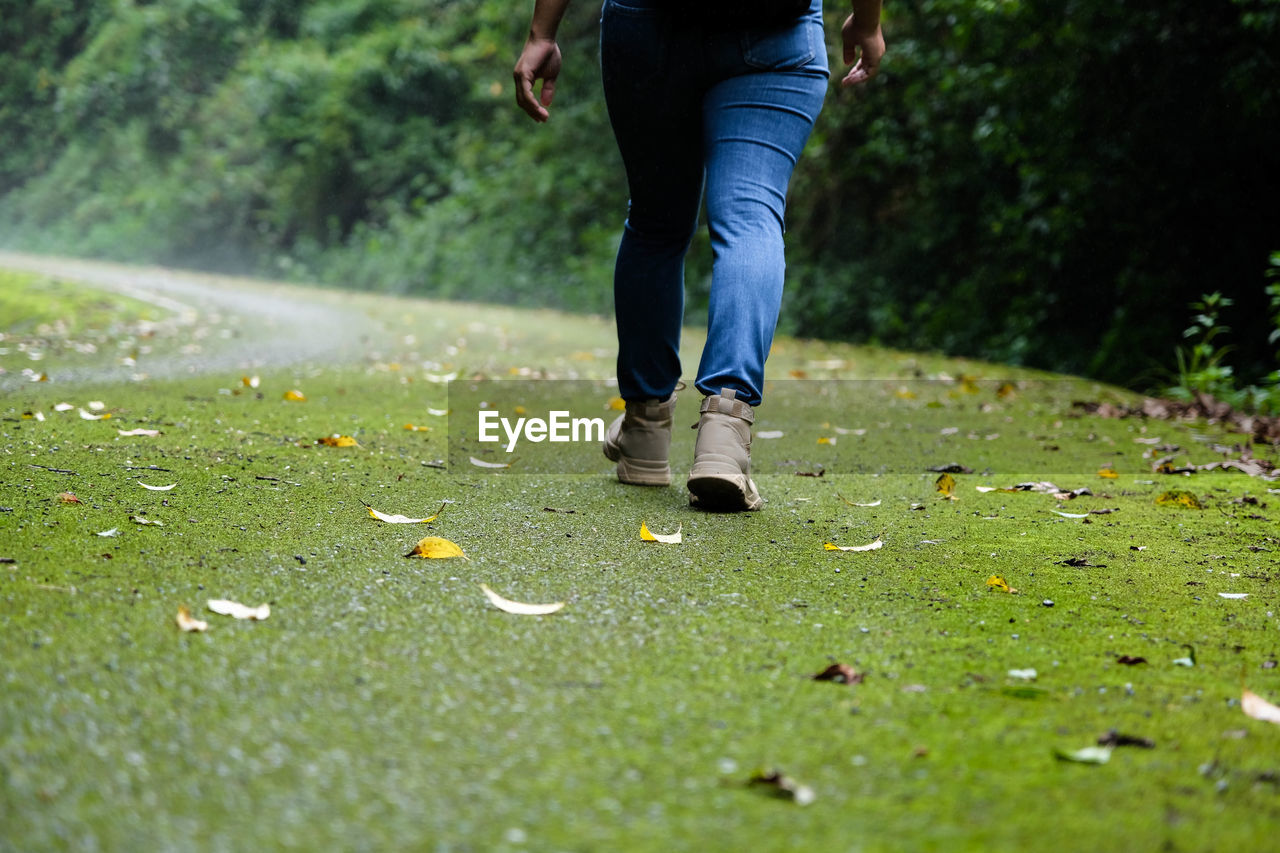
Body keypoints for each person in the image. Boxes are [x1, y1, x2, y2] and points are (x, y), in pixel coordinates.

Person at [515, 0, 884, 511]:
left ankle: (645, 429)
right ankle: (725, 437)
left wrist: (542, 33)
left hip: (648, 27)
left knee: (655, 222)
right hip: (776, 33)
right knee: (751, 216)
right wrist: (866, 21)